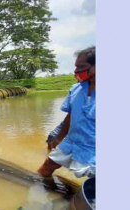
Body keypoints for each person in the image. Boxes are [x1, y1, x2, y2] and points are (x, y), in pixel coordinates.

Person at [38, 46, 96, 178]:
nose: (76, 71)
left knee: (91, 183)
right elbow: (70, 116)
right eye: (76, 67)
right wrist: (59, 137)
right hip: (71, 141)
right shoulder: (76, 89)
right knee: (47, 166)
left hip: (92, 148)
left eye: (81, 67)